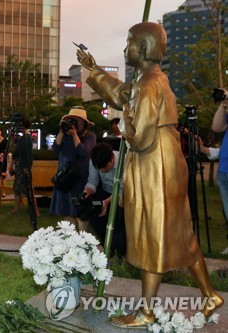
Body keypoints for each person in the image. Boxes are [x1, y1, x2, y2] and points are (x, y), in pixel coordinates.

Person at [77, 22, 223, 327]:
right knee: (178, 231)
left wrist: (123, 127)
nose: (124, 48)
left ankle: (147, 310)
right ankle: (209, 295)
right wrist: (95, 70)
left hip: (154, 162)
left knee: (152, 233)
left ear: (142, 49)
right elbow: (120, 93)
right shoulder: (153, 79)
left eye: (129, 42)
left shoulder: (147, 86)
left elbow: (139, 137)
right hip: (165, 160)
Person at [49, 106, 96, 226]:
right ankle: (69, 240)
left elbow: (84, 152)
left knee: (80, 211)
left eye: (77, 120)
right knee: (66, 211)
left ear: (84, 123)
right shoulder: (65, 135)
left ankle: (82, 240)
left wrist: (75, 135)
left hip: (79, 178)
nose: (74, 122)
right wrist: (61, 130)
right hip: (65, 177)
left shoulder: (89, 136)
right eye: (71, 119)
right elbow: (55, 148)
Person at [81, 142, 126, 256]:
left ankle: (118, 252)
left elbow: (124, 190)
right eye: (98, 168)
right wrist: (87, 192)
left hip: (124, 197)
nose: (101, 171)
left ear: (112, 158)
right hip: (105, 192)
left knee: (118, 221)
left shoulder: (125, 161)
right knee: (95, 213)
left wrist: (108, 201)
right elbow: (92, 182)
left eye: (104, 167)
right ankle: (105, 244)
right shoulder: (95, 160)